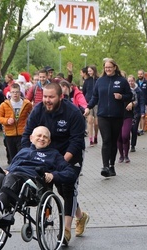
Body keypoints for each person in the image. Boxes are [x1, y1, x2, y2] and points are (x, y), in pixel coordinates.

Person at [22, 82, 88, 245]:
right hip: (46, 154)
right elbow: (27, 135)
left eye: (51, 97)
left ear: (60, 97)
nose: (47, 100)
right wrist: (26, 157)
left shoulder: (72, 113)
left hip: (69, 155)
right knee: (47, 188)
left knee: (67, 188)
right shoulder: (38, 110)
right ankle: (80, 216)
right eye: (45, 96)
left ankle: (65, 230)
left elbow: (76, 141)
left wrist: (61, 162)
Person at [0, 126, 76, 219]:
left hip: (32, 185)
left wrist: (53, 175)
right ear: (31, 138)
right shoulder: (23, 151)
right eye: (39, 136)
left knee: (12, 176)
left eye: (45, 137)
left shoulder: (53, 154)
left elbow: (71, 173)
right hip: (13, 180)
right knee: (0, 176)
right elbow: (12, 166)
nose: (42, 138)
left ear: (49, 141)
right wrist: (7, 170)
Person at [84, 58, 133, 177]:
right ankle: (105, 166)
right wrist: (88, 107)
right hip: (103, 115)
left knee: (113, 141)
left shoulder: (122, 81)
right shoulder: (100, 81)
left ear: (115, 67)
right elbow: (95, 97)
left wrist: (121, 96)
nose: (108, 69)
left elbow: (129, 96)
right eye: (106, 68)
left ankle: (112, 166)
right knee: (106, 140)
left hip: (117, 115)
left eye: (110, 67)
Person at [0, 83, 33, 160]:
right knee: (12, 155)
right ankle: (12, 169)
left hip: (22, 133)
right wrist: (6, 120)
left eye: (17, 92)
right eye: (13, 92)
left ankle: (21, 170)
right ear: (10, 93)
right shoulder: (4, 104)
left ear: (20, 93)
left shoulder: (27, 104)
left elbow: (32, 115)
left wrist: (29, 125)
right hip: (9, 133)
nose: (15, 94)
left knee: (22, 154)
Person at [117, 75, 138, 163]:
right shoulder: (114, 91)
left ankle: (126, 155)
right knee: (119, 137)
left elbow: (136, 101)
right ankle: (121, 155)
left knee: (125, 135)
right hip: (116, 116)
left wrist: (132, 104)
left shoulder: (131, 91)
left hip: (127, 115)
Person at [82, 66, 99, 146]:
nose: (89, 72)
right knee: (90, 121)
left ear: (94, 70)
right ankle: (91, 140)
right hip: (88, 103)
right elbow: (83, 92)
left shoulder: (98, 80)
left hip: (97, 103)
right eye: (88, 71)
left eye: (90, 71)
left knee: (96, 123)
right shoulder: (86, 81)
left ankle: (96, 136)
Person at [129, 76, 145, 153]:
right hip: (128, 112)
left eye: (131, 81)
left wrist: (142, 112)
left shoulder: (139, 91)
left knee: (134, 129)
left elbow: (142, 102)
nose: (130, 83)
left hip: (136, 112)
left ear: (134, 81)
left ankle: (133, 145)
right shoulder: (126, 90)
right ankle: (126, 142)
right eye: (129, 81)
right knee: (128, 128)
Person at [136, 70, 147, 135]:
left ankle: (142, 129)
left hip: (144, 102)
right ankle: (136, 129)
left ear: (143, 75)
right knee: (136, 116)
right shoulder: (135, 83)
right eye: (139, 74)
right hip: (136, 102)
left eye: (141, 74)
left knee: (143, 116)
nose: (140, 75)